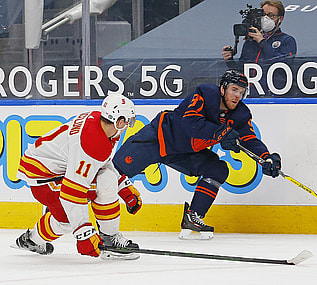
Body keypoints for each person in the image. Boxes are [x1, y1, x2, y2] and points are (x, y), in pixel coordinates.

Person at [112, 70, 281, 240]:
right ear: (223, 89)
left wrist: (266, 157)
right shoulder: (205, 94)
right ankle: (105, 231)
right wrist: (220, 132)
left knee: (218, 169)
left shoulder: (241, 114)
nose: (238, 96)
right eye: (234, 89)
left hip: (184, 153)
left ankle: (193, 217)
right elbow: (189, 122)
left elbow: (249, 139)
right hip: (158, 139)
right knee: (112, 176)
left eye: (242, 92)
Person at [12, 95, 143, 259]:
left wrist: (123, 186)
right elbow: (72, 192)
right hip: (46, 181)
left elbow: (100, 162)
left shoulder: (98, 123)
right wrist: (84, 234)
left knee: (65, 221)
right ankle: (109, 241)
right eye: (128, 121)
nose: (128, 125)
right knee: (106, 181)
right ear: (119, 121)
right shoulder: (91, 142)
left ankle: (30, 240)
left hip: (47, 171)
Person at [222, 0, 297, 97]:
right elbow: (242, 70)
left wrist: (262, 42)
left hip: (275, 96)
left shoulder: (287, 40)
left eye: (271, 15)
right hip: (249, 95)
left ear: (280, 18)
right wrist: (229, 60)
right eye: (263, 15)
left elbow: (283, 63)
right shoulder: (250, 41)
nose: (266, 18)